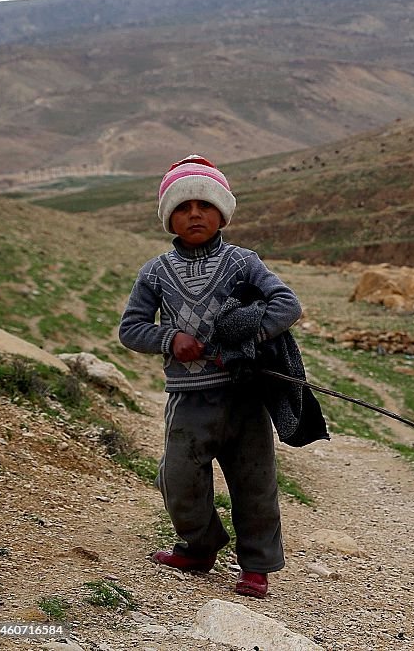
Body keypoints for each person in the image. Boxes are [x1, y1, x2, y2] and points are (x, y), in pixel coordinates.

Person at [119, 154, 305, 599]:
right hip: (189, 399)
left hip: (245, 395)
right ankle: (199, 548)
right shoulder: (155, 272)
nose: (194, 214)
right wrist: (170, 339)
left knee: (254, 481)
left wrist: (246, 340)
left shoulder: (243, 262)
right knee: (180, 478)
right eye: (182, 207)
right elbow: (131, 328)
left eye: (204, 205)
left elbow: (287, 305)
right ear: (169, 218)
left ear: (222, 211)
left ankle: (256, 567)